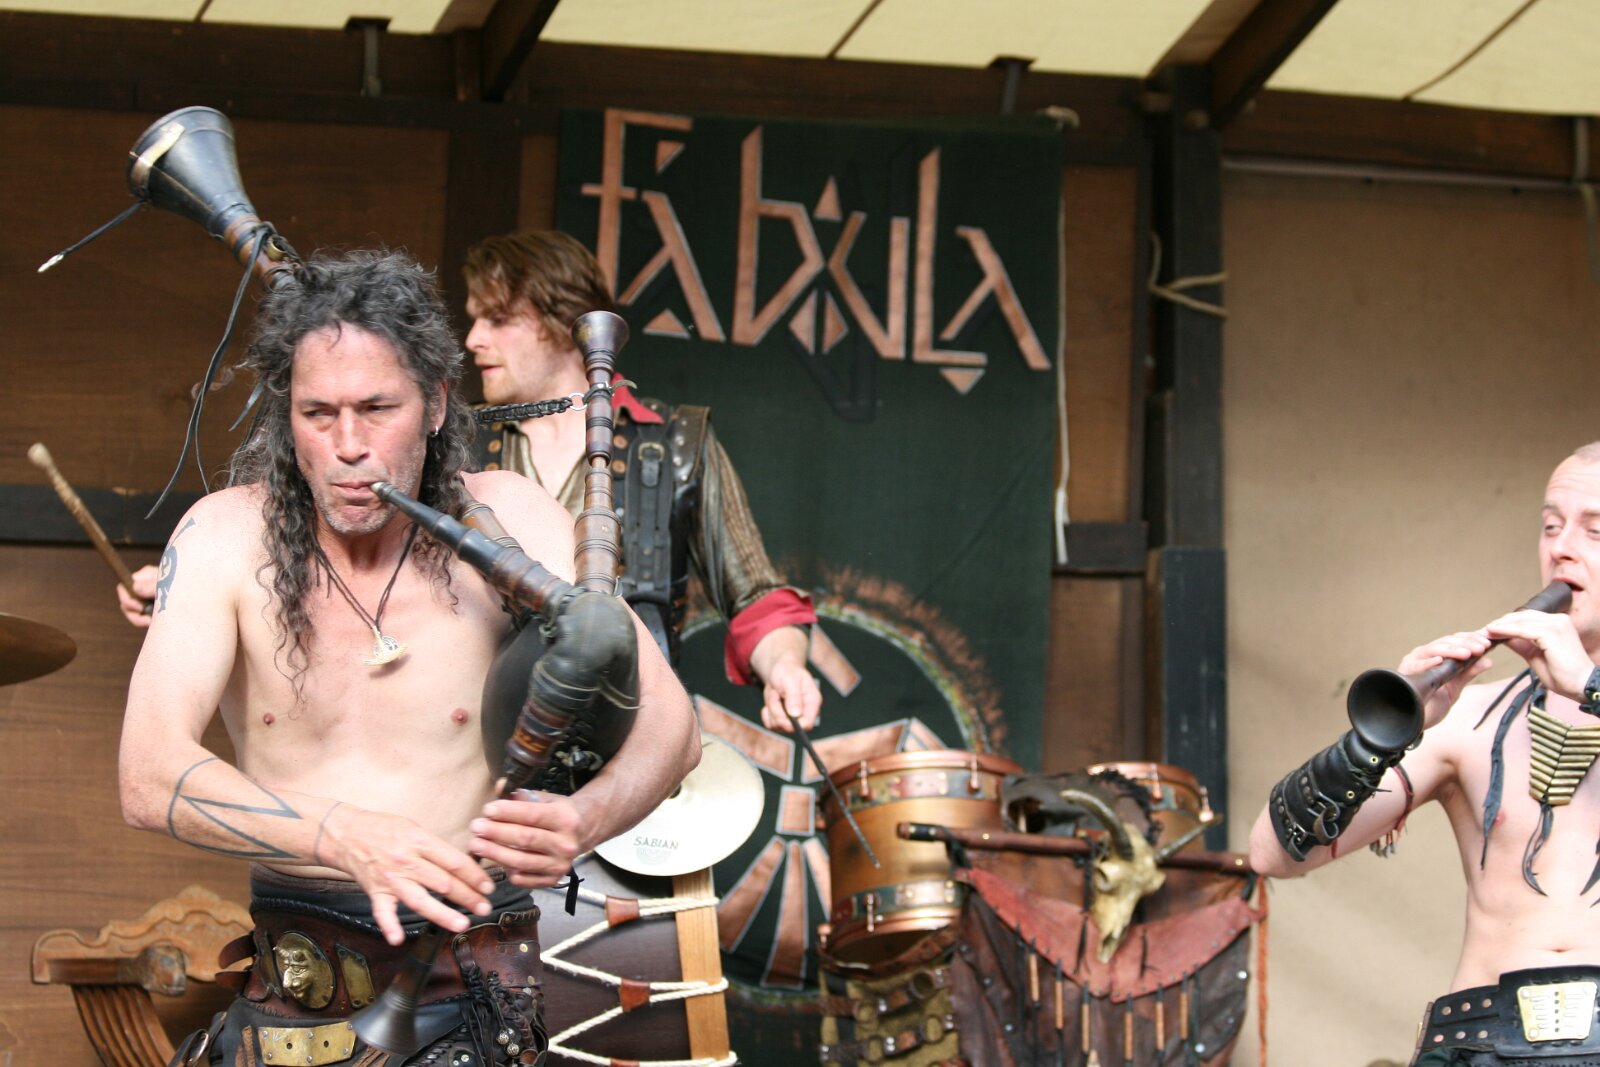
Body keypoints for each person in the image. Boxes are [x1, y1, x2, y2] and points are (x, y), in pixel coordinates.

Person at [118, 250, 700, 1065]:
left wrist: (585, 819)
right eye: (318, 413)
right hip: (290, 992)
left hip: (474, 1000)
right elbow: (148, 775)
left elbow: (675, 728)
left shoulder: (512, 519)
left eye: (377, 408)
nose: (348, 445)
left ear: (434, 404)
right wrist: (340, 833)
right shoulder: (223, 534)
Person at [1251, 443, 1600, 1066]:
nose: (1562, 548)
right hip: (1482, 1045)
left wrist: (1590, 686)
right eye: (1551, 526)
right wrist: (1382, 739)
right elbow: (1271, 853)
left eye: (1594, 530)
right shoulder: (1468, 717)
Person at [462, 230, 821, 734]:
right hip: (483, 737)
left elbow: (756, 601)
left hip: (634, 734)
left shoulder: (675, 443)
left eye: (497, 319)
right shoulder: (458, 445)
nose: (473, 339)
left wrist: (785, 666)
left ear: (566, 321)